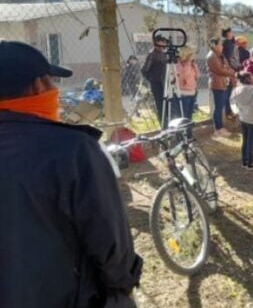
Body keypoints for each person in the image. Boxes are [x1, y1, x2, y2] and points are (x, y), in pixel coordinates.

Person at [0, 41, 142, 307]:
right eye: (52, 82)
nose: (55, 91)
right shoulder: (73, 151)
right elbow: (112, 248)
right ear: (39, 86)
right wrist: (123, 287)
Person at [232, 72, 253, 170]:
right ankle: (251, 163)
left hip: (243, 118)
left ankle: (244, 161)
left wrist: (238, 113)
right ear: (250, 79)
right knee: (252, 141)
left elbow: (233, 103)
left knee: (245, 140)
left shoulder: (236, 90)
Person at [207, 37, 236, 137]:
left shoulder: (220, 55)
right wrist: (231, 72)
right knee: (218, 107)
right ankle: (218, 129)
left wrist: (229, 71)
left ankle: (220, 127)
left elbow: (226, 66)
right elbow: (219, 70)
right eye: (220, 44)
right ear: (214, 45)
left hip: (224, 83)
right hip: (217, 84)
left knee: (221, 106)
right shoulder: (212, 56)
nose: (222, 46)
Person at [141, 34, 168, 126]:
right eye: (161, 42)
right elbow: (144, 70)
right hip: (157, 83)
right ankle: (163, 125)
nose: (163, 45)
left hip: (166, 82)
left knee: (168, 105)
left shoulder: (164, 54)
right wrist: (153, 80)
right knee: (160, 105)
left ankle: (168, 123)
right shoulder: (152, 55)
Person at [175, 47, 200, 122]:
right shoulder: (179, 65)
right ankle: (183, 131)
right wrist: (187, 65)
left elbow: (197, 75)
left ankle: (188, 131)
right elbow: (183, 76)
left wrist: (194, 66)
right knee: (184, 115)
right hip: (184, 93)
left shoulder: (192, 65)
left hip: (192, 92)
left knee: (189, 115)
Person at [221, 28, 240, 121]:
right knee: (228, 92)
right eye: (231, 32)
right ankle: (228, 112)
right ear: (227, 33)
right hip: (230, 70)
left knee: (230, 91)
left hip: (233, 69)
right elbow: (228, 58)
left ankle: (229, 111)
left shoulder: (230, 43)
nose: (233, 34)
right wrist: (231, 70)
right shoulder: (227, 44)